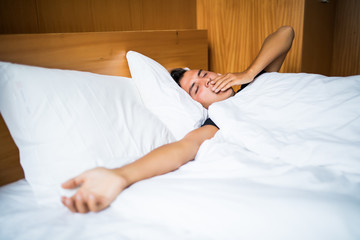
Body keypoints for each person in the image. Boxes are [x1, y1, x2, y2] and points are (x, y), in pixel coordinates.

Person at [61, 25, 295, 213]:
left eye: (204, 74)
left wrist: (248, 73)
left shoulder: (252, 85)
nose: (207, 81)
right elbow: (183, 147)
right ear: (196, 105)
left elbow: (286, 33)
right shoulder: (218, 122)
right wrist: (120, 176)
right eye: (196, 89)